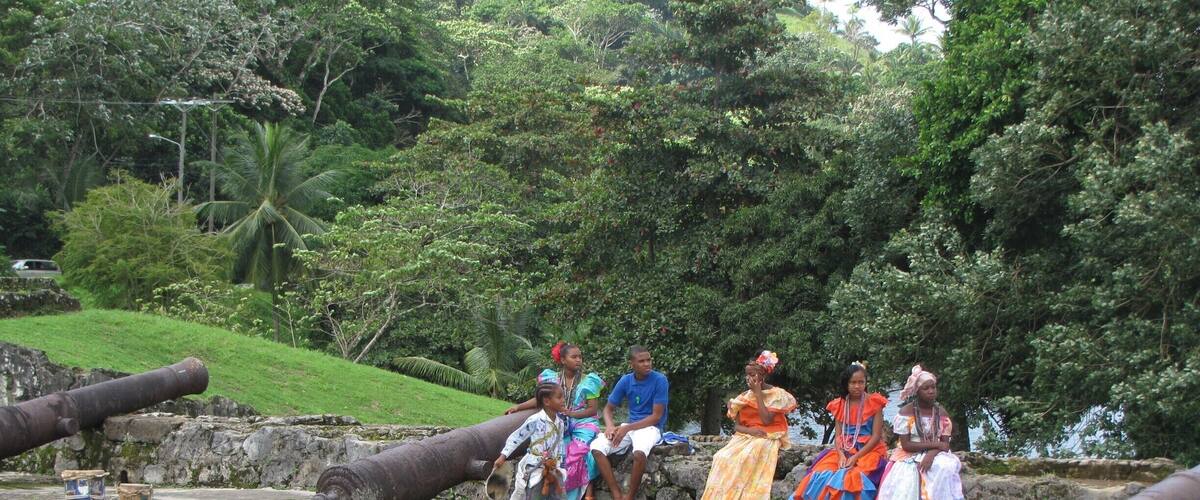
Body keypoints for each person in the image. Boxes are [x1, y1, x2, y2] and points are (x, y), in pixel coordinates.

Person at [506, 342, 606, 500]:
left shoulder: (589, 381)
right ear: (563, 360)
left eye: (580, 357)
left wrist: (572, 414)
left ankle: (586, 492)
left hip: (584, 422)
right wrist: (518, 407)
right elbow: (539, 399)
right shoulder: (552, 379)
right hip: (561, 423)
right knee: (560, 453)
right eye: (574, 357)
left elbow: (592, 410)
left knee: (578, 451)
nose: (578, 360)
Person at [701, 351, 798, 500]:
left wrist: (758, 394)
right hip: (746, 435)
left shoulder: (777, 395)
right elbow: (737, 427)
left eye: (753, 375)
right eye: (747, 375)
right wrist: (750, 430)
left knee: (748, 455)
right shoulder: (744, 397)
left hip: (768, 435)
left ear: (763, 375)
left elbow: (766, 421)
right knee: (721, 457)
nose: (749, 378)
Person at [793, 361, 889, 500]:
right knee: (822, 474)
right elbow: (838, 436)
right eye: (853, 382)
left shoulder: (875, 403)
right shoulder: (839, 404)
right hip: (844, 450)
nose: (857, 386)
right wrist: (841, 455)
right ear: (846, 384)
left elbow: (876, 437)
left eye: (861, 382)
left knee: (852, 478)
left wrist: (856, 457)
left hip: (868, 451)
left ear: (866, 382)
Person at [590, 345, 668, 500]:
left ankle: (629, 497)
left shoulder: (660, 380)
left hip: (651, 428)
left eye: (648, 360)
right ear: (632, 364)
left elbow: (656, 417)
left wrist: (626, 429)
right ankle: (616, 493)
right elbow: (607, 409)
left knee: (639, 454)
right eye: (641, 361)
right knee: (597, 448)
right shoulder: (626, 381)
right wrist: (610, 426)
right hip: (631, 427)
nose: (647, 364)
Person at [877, 365, 964, 500]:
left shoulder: (941, 413)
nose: (930, 391)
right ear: (917, 391)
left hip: (937, 453)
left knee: (944, 467)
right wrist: (936, 445)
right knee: (907, 478)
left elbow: (945, 445)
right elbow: (906, 445)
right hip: (909, 454)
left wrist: (930, 454)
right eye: (926, 388)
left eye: (933, 387)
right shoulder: (906, 413)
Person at [497, 382, 569, 500]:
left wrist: (561, 463)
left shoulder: (560, 423)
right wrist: (503, 456)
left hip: (554, 470)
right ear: (546, 401)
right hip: (536, 467)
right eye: (559, 397)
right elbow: (516, 437)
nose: (563, 400)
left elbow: (560, 444)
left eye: (563, 397)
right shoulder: (535, 420)